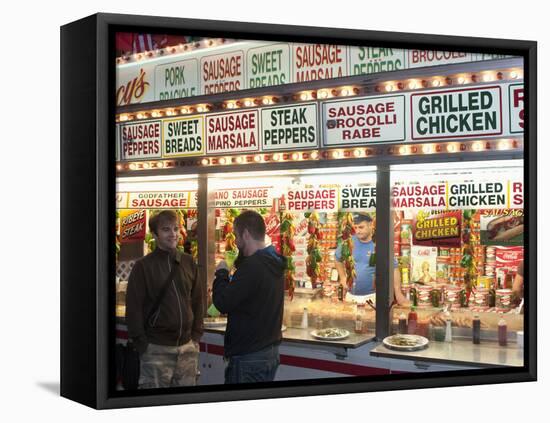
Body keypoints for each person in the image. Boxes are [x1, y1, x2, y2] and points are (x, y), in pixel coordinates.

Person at [125, 210, 204, 389]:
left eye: (176, 229)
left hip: (187, 349)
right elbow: (134, 308)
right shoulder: (143, 267)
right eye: (166, 229)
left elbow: (198, 300)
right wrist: (143, 345)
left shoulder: (188, 262)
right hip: (156, 349)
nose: (173, 234)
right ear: (154, 234)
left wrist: (196, 336)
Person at [212, 210, 285, 384]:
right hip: (268, 352)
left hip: (249, 356)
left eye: (236, 236)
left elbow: (222, 303)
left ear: (245, 234)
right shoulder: (273, 260)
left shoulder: (253, 267)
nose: (236, 242)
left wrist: (222, 273)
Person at [335, 213, 409, 306]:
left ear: (370, 225)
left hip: (373, 298)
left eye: (361, 227)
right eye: (356, 227)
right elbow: (337, 259)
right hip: (351, 297)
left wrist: (398, 293)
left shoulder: (380, 244)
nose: (357, 231)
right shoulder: (349, 242)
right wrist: (342, 277)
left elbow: (394, 268)